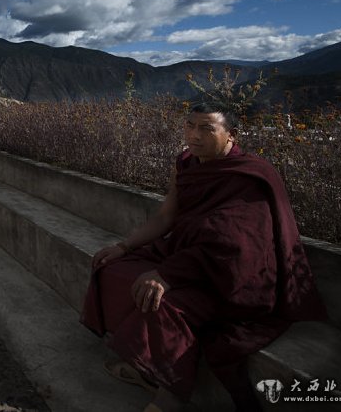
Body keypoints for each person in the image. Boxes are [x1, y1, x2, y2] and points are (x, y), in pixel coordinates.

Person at [81, 102, 326, 412]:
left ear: (231, 135)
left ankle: (167, 397)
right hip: (190, 256)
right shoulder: (186, 163)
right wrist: (124, 246)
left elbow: (237, 244)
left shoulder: (251, 174)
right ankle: (144, 365)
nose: (193, 136)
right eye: (189, 126)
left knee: (161, 303)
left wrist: (167, 276)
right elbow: (166, 217)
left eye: (206, 128)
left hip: (233, 276)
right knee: (110, 268)